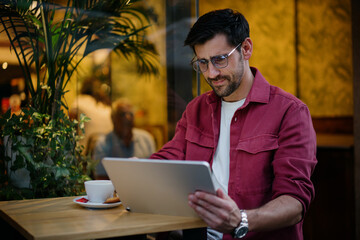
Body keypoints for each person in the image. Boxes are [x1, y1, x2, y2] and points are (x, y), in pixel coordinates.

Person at [150, 9, 317, 240]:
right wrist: (138, 171)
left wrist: (240, 220)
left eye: (220, 59)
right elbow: (169, 157)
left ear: (246, 49)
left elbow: (294, 203)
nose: (212, 73)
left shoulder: (290, 112)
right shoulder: (196, 109)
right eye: (203, 63)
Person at [93, 98, 156, 179]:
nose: (128, 118)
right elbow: (101, 177)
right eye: (122, 114)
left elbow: (154, 172)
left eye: (131, 114)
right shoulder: (103, 143)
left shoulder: (146, 139)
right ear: (113, 118)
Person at [69, 77, 113, 154]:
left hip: (86, 152)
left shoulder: (80, 100)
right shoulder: (107, 106)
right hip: (109, 151)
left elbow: (69, 124)